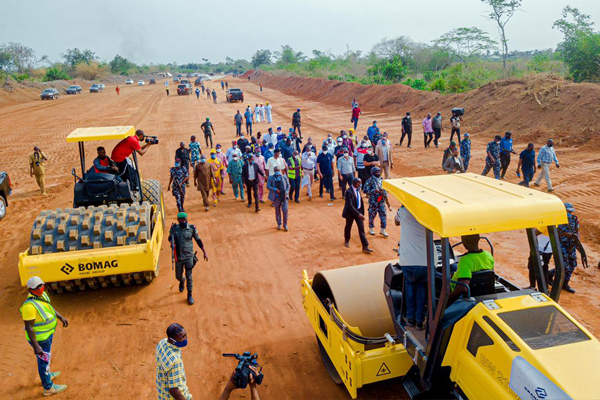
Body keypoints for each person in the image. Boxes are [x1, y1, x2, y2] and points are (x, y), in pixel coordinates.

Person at [20, 276, 69, 395]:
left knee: (45, 360)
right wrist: (36, 347)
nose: (40, 288)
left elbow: (49, 308)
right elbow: (29, 328)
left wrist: (60, 317)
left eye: (41, 285)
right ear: (30, 290)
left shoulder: (42, 296)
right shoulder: (29, 307)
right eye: (36, 287)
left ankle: (47, 375)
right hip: (40, 340)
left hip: (47, 336)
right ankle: (48, 388)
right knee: (43, 362)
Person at [394, 206, 436, 330]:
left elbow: (396, 221)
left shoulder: (403, 211)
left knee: (410, 286)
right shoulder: (428, 211)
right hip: (426, 261)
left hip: (409, 261)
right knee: (422, 288)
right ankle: (419, 320)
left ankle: (410, 318)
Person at [169, 213, 208, 305]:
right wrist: (171, 233)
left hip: (189, 257)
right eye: (181, 220)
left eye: (184, 220)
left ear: (187, 219)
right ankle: (182, 281)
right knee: (178, 276)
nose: (183, 221)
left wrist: (204, 252)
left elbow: (198, 240)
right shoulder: (175, 229)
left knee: (189, 277)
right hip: (178, 257)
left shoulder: (192, 228)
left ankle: (189, 295)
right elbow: (170, 239)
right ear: (178, 220)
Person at [449, 234, 494, 300]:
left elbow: (463, 287)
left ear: (465, 241)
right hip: (484, 292)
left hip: (462, 297)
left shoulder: (465, 260)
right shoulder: (488, 255)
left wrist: (448, 297)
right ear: (478, 239)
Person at [549, 203, 581, 293]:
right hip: (561, 246)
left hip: (572, 246)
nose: (570, 212)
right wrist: (565, 234)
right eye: (568, 211)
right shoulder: (557, 219)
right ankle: (550, 274)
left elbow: (577, 231)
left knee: (572, 265)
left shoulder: (575, 219)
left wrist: (577, 240)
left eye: (571, 211)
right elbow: (553, 233)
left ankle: (565, 284)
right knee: (563, 266)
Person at [156, 323, 192, 399]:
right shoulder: (175, 360)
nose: (185, 338)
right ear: (172, 340)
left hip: (163, 395)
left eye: (185, 335)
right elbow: (173, 390)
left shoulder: (162, 343)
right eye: (182, 337)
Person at [342, 177, 373, 253]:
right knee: (348, 226)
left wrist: (361, 212)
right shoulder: (348, 192)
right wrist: (358, 214)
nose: (360, 184)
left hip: (358, 212)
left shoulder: (358, 190)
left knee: (361, 229)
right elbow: (349, 205)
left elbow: (360, 201)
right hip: (350, 212)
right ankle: (347, 240)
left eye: (360, 183)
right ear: (354, 183)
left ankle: (365, 246)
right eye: (358, 183)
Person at [363, 167, 391, 237]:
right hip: (373, 202)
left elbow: (386, 189)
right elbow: (365, 190)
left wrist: (385, 193)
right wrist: (374, 191)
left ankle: (383, 229)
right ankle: (371, 228)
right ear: (373, 173)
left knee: (383, 215)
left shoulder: (382, 180)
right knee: (372, 215)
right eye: (377, 172)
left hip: (381, 201)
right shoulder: (370, 180)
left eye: (379, 172)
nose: (378, 173)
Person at [267, 166, 290, 231]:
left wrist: (286, 192)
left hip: (284, 197)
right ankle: (279, 224)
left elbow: (288, 185)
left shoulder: (284, 177)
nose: (277, 171)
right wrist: (275, 189)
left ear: (280, 170)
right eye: (276, 170)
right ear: (274, 171)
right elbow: (268, 186)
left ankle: (285, 225)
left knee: (285, 210)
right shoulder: (271, 178)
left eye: (278, 170)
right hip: (276, 197)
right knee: (277, 210)